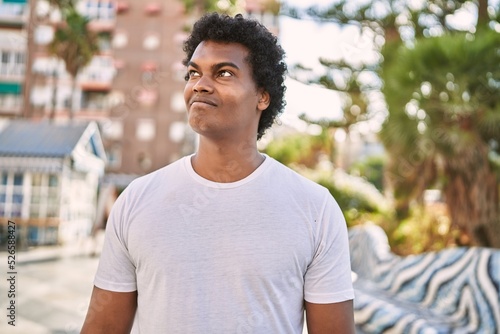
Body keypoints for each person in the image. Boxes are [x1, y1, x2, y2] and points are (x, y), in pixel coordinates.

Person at [81, 12, 355, 334]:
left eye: (223, 73)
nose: (199, 85)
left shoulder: (315, 209)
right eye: (193, 73)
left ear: (262, 96)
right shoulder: (136, 201)